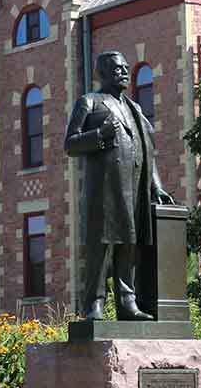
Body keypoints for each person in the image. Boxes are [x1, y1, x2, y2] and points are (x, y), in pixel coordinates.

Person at [64, 51, 174, 320]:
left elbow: (147, 150)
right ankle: (94, 304)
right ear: (102, 73)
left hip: (134, 188)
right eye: (117, 68)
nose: (124, 72)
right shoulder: (89, 102)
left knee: (129, 246)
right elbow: (70, 144)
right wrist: (99, 135)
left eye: (125, 67)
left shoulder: (134, 108)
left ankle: (127, 303)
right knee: (100, 248)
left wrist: (156, 186)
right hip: (103, 190)